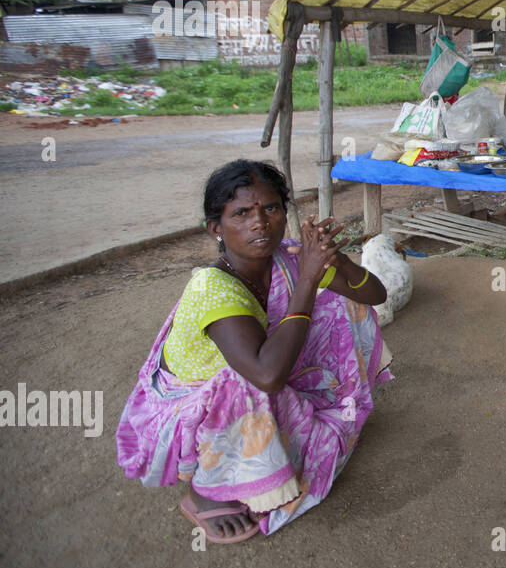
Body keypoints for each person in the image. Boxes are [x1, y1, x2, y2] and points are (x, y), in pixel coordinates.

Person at [116, 160, 392, 544]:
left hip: (256, 381)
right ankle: (203, 491)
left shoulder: (289, 260)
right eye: (242, 213)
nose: (259, 222)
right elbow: (266, 375)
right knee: (242, 381)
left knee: (345, 304)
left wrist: (334, 258)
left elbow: (374, 296)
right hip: (188, 406)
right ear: (216, 228)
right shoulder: (212, 287)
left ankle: (272, 447)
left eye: (271, 208)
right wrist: (310, 278)